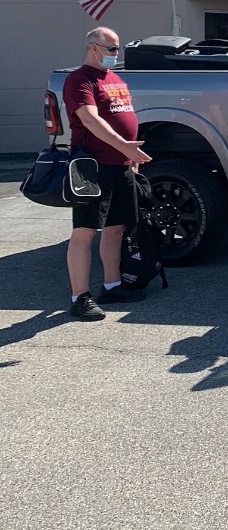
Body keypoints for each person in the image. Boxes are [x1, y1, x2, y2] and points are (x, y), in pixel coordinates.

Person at [62, 27, 152, 320]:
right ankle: (80, 296)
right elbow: (90, 119)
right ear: (93, 47)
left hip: (121, 165)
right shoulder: (79, 79)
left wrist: (130, 158)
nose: (116, 54)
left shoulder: (115, 79)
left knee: (116, 228)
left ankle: (112, 286)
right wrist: (125, 146)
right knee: (85, 232)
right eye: (111, 49)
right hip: (93, 167)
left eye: (117, 49)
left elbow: (122, 115)